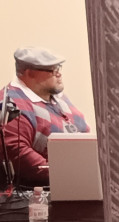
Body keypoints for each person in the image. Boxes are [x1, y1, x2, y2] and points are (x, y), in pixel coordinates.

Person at [1, 46, 89, 186]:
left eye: (58, 68)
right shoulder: (12, 105)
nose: (59, 74)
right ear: (29, 73)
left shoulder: (57, 98)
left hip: (74, 180)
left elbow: (84, 134)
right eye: (52, 70)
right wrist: (66, 175)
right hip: (42, 189)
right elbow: (19, 154)